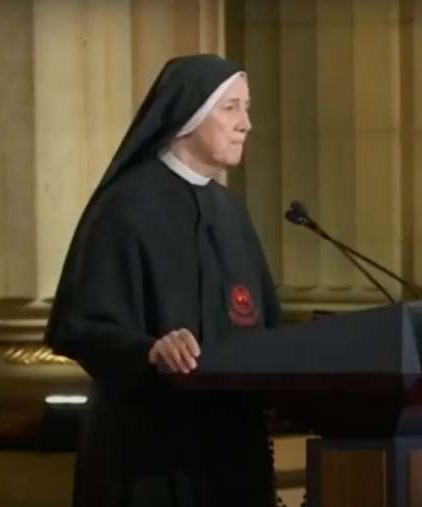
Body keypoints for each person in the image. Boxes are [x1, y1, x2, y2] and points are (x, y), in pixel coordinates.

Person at [44, 54, 282, 507]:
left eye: (246, 107)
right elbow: (81, 327)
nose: (245, 123)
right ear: (187, 116)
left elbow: (265, 327)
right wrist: (148, 350)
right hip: (148, 455)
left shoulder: (231, 213)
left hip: (232, 453)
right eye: (230, 108)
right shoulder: (124, 208)